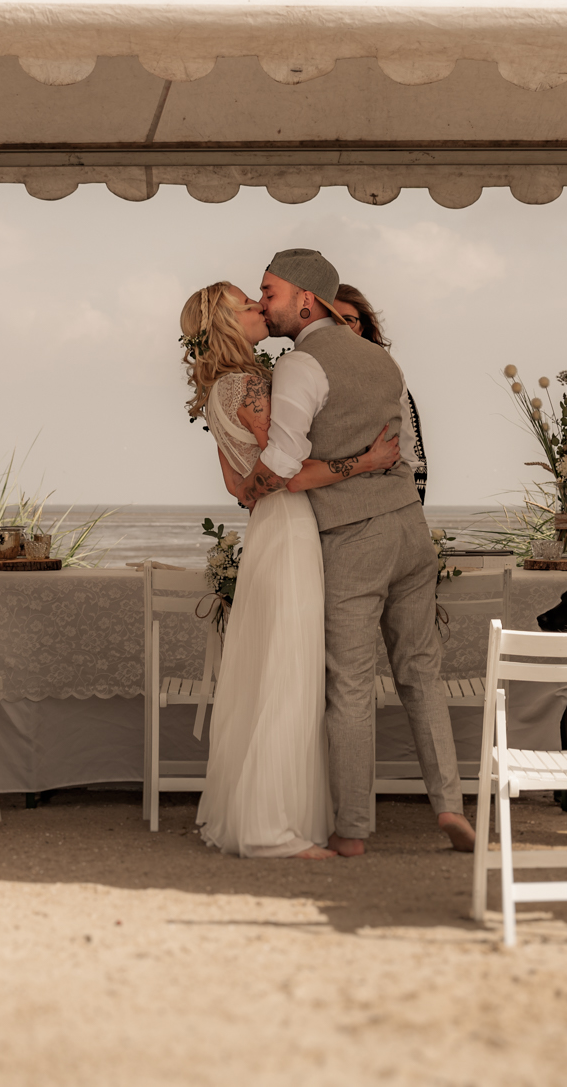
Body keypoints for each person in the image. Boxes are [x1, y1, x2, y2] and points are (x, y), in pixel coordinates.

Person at [231, 250, 476, 856]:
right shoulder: (384, 361)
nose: (263, 304)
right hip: (410, 532)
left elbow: (284, 461)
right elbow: (407, 453)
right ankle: (449, 806)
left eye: (269, 292)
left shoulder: (301, 365)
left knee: (351, 686)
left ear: (305, 299)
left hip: (354, 536)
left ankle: (354, 830)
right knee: (421, 674)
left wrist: (249, 490)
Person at [179, 282, 401, 859]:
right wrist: (367, 461)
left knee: (270, 671)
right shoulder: (250, 382)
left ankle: (264, 814)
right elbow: (291, 471)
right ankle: (271, 828)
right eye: (244, 305)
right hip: (290, 526)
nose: (258, 307)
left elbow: (238, 488)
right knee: (288, 674)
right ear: (225, 325)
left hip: (268, 532)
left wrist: (261, 489)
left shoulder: (218, 391)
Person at [330, 284, 428, 504]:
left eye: (348, 320)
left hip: (385, 496)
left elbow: (410, 442)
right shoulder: (305, 372)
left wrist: (414, 500)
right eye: (331, 321)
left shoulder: (386, 368)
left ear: (362, 326)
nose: (340, 329)